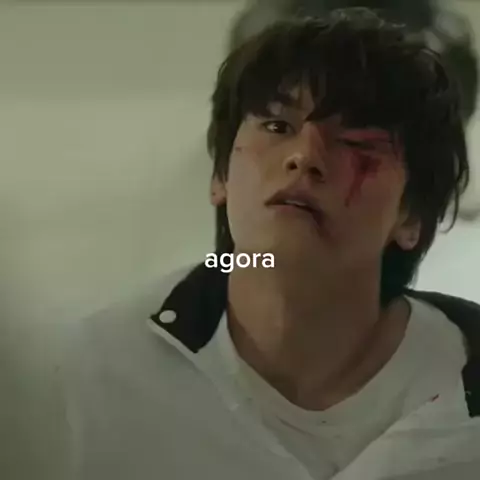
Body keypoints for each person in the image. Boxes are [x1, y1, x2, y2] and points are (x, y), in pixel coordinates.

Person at [52, 7, 480, 480]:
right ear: (220, 177)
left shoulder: (464, 386)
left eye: (356, 142)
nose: (305, 156)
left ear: (412, 216)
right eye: (277, 127)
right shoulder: (90, 377)